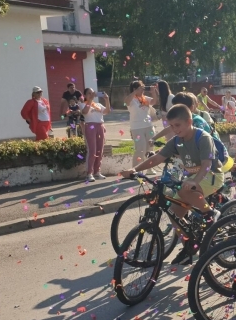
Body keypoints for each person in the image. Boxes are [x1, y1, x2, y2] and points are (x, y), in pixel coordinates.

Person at [120, 104, 219, 264]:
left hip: (210, 175)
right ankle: (189, 246)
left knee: (183, 191)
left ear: (189, 121)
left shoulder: (203, 137)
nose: (175, 129)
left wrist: (194, 181)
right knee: (173, 213)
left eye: (177, 125)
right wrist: (135, 169)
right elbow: (157, 158)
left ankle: (210, 214)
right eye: (171, 126)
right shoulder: (176, 141)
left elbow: (207, 164)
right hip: (192, 177)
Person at [78, 88, 111, 181]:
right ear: (85, 95)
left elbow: (107, 111)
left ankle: (97, 171)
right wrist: (90, 100)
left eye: (92, 93)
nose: (91, 94)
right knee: (92, 150)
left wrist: (107, 100)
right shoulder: (83, 104)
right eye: (88, 93)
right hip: (90, 126)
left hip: (100, 126)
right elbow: (84, 112)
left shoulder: (98, 105)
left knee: (100, 150)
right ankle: (89, 173)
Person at [125, 80, 157, 171]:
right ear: (135, 89)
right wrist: (134, 92)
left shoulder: (145, 98)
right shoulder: (132, 99)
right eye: (140, 88)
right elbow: (126, 102)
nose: (143, 90)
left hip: (148, 125)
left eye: (143, 87)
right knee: (140, 149)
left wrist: (153, 92)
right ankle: (135, 169)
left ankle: (150, 169)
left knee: (150, 148)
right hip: (137, 127)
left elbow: (154, 101)